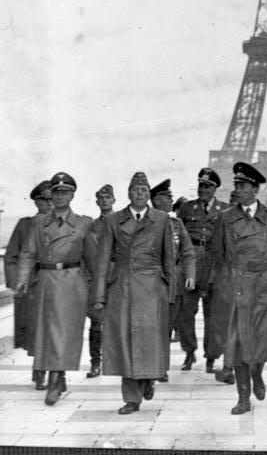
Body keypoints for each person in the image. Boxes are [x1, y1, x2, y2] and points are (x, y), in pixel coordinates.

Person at [93, 171, 175, 414]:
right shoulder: (113, 221)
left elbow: (169, 258)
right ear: (128, 194)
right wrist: (99, 295)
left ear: (149, 194)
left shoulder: (161, 220)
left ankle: (149, 378)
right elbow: (102, 260)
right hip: (124, 288)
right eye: (135, 190)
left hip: (152, 289)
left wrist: (171, 291)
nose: (140, 194)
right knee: (127, 341)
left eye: (144, 190)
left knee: (149, 340)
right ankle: (131, 397)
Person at [211, 162, 267, 415]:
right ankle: (243, 396)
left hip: (264, 284)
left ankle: (258, 373)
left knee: (263, 339)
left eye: (243, 186)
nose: (238, 190)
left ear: (255, 188)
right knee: (239, 343)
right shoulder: (225, 218)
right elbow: (218, 255)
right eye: (237, 186)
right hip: (238, 285)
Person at [16, 172, 96, 406]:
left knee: (64, 334)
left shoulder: (84, 224)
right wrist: (22, 278)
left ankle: (55, 379)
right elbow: (28, 252)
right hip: (45, 281)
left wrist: (98, 290)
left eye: (65, 192)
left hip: (72, 283)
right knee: (47, 333)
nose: (60, 196)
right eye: (56, 192)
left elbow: (93, 259)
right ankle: (56, 375)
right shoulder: (38, 223)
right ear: (51, 194)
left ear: (72, 195)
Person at [178, 167, 228, 372]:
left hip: (213, 262)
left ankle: (211, 355)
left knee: (212, 313)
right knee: (186, 311)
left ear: (215, 188)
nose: (202, 189)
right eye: (200, 185)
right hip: (191, 261)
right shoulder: (187, 208)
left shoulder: (225, 209)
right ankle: (189, 352)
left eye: (207, 186)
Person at [4, 180, 53, 390]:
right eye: (45, 200)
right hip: (31, 287)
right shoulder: (25, 225)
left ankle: (53, 371)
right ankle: (40, 370)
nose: (50, 204)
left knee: (54, 330)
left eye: (52, 199)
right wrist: (17, 283)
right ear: (36, 202)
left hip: (54, 285)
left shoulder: (60, 224)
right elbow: (11, 257)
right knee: (37, 331)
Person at [150, 179, 196, 381]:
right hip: (152, 283)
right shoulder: (147, 223)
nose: (171, 200)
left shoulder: (176, 224)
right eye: (167, 196)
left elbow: (187, 251)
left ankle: (172, 361)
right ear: (156, 200)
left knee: (175, 322)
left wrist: (191, 274)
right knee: (158, 326)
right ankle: (157, 365)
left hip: (174, 283)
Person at [85, 184, 116, 378]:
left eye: (108, 198)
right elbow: (89, 254)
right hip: (98, 279)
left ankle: (116, 361)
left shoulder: (122, 222)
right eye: (101, 199)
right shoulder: (92, 227)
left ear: (114, 200)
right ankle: (95, 362)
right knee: (96, 323)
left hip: (118, 278)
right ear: (97, 202)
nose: (104, 201)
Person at [212, 189, 238, 386]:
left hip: (230, 277)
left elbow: (218, 251)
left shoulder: (224, 220)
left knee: (230, 325)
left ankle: (229, 367)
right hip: (241, 277)